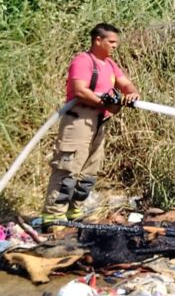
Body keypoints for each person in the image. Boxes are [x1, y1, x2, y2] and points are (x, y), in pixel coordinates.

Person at [41, 23, 140, 230]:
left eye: (116, 42)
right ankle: (53, 218)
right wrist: (106, 103)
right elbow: (80, 90)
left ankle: (74, 214)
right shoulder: (83, 61)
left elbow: (125, 83)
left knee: (88, 172)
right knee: (68, 169)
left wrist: (132, 93)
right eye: (111, 42)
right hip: (79, 120)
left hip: (99, 122)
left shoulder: (110, 64)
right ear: (98, 40)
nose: (115, 46)